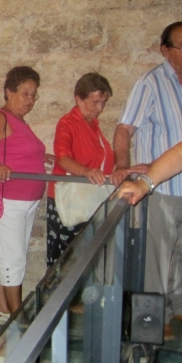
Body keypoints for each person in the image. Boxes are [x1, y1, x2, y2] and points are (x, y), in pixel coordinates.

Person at [111, 21, 182, 340]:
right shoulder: (151, 83)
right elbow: (124, 129)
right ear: (166, 50)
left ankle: (176, 306)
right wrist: (124, 166)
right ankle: (151, 321)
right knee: (157, 259)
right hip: (162, 188)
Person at [0, 66, 48, 321]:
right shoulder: (0, 117)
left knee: (7, 254)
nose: (30, 100)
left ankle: (0, 307)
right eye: (25, 93)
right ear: (9, 91)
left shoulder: (21, 122)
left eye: (33, 95)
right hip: (9, 200)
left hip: (26, 202)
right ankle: (19, 317)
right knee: (14, 260)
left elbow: (19, 151)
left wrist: (41, 156)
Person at [46, 73, 114, 266]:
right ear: (79, 99)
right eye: (95, 102)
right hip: (69, 199)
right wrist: (86, 171)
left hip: (85, 199)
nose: (100, 108)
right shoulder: (68, 123)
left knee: (86, 259)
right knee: (67, 261)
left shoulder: (93, 125)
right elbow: (63, 157)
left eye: (104, 102)